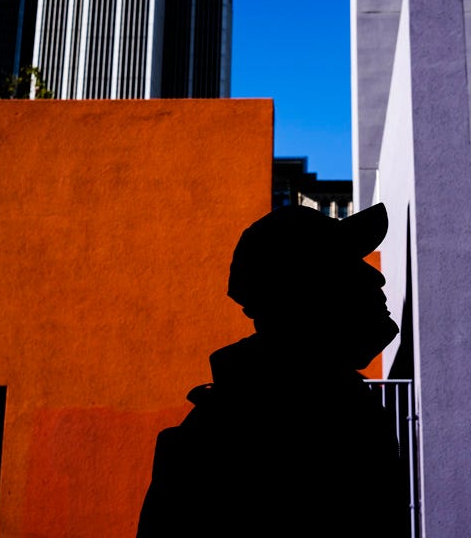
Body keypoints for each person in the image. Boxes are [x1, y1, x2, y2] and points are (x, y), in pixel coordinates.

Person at [137, 202, 411, 537]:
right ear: (302, 295)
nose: (376, 276)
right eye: (346, 265)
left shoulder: (340, 410)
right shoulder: (226, 440)